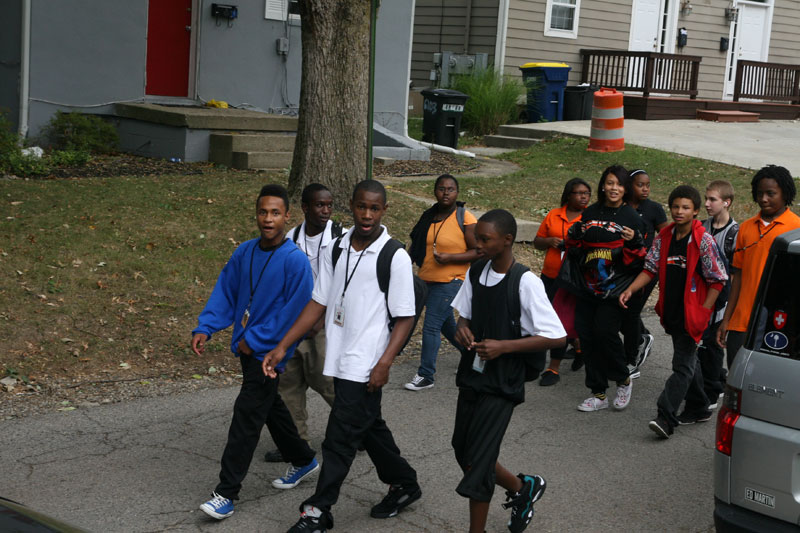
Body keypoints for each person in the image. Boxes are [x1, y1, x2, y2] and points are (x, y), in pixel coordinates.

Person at [261, 180, 421, 533]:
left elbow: (406, 316)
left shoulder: (393, 255)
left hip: (366, 362)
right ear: (352, 205)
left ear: (384, 210)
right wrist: (284, 344)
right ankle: (405, 483)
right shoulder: (337, 248)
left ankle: (318, 511)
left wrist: (385, 363)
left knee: (340, 438)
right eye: (361, 207)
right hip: (339, 354)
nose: (366, 215)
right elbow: (318, 302)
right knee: (369, 427)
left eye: (374, 208)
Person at [191, 184, 319, 520]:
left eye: (275, 213)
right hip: (248, 350)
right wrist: (206, 326)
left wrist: (257, 340)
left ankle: (226, 493)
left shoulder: (296, 262)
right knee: (271, 407)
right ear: (256, 214)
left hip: (269, 354)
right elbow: (227, 291)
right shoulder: (245, 252)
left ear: (287, 216)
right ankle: (304, 459)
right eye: (263, 212)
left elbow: (295, 312)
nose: (268, 218)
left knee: (246, 418)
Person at [451, 209, 566, 533]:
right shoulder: (476, 271)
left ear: (507, 240)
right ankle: (521, 488)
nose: (478, 244)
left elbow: (557, 336)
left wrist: (505, 346)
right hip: (473, 375)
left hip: (503, 384)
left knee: (478, 461)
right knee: (463, 450)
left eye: (485, 239)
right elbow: (465, 314)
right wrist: (462, 327)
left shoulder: (524, 282)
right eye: (478, 238)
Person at [620, 185, 728, 438]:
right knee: (688, 362)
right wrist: (630, 290)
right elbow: (651, 268)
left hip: (694, 316)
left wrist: (703, 311)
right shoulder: (665, 236)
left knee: (681, 365)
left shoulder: (704, 241)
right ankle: (700, 405)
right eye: (676, 207)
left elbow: (718, 280)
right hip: (673, 313)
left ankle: (665, 417)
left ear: (696, 211)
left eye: (686, 208)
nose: (679, 212)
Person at [264, 183, 340, 463]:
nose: (326, 210)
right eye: (319, 205)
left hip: (322, 325)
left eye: (329, 205)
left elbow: (342, 285)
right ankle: (296, 443)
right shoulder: (290, 238)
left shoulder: (339, 237)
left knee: (328, 382)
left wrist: (321, 319)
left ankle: (359, 431)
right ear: (305, 208)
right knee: (288, 385)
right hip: (291, 325)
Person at [559, 165, 646, 412]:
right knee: (586, 336)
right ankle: (597, 393)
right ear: (602, 185)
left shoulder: (632, 217)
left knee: (605, 333)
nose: (614, 188)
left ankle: (623, 378)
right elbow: (575, 249)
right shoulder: (590, 213)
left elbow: (640, 260)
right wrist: (574, 235)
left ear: (626, 188)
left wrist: (635, 241)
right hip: (588, 286)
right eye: (609, 183)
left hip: (615, 289)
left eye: (619, 184)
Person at [717, 165, 800, 366]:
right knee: (737, 376)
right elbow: (738, 278)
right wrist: (727, 319)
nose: (764, 199)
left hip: (779, 323)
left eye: (771, 194)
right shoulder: (745, 228)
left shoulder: (796, 228)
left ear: (785, 193)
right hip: (742, 321)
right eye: (760, 193)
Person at [405, 174, 478, 391]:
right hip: (427, 280)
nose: (446, 193)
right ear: (434, 191)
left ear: (457, 192)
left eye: (451, 189)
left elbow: (477, 251)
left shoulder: (465, 218)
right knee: (448, 327)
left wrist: (450, 258)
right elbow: (417, 245)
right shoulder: (428, 216)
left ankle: (426, 374)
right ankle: (473, 355)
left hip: (452, 280)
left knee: (431, 326)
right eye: (441, 189)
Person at [533, 177, 591, 386]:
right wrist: (549, 241)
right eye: (579, 193)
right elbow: (537, 242)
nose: (584, 197)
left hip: (573, 280)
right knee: (550, 317)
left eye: (587, 193)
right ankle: (579, 348)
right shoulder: (553, 215)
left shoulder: (590, 218)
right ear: (569, 195)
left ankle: (553, 368)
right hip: (550, 276)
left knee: (560, 321)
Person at [621, 169, 668, 378]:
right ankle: (642, 337)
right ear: (629, 185)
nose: (646, 189)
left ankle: (631, 359)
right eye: (640, 184)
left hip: (647, 269)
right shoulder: (620, 207)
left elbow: (667, 237)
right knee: (621, 309)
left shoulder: (655, 209)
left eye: (648, 185)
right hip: (622, 268)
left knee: (631, 311)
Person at [699, 180, 738, 408]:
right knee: (703, 344)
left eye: (712, 199)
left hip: (721, 301)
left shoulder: (735, 233)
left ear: (726, 202)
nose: (707, 204)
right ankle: (716, 378)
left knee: (712, 344)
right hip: (702, 297)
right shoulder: (702, 226)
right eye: (706, 198)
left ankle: (711, 391)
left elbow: (734, 275)